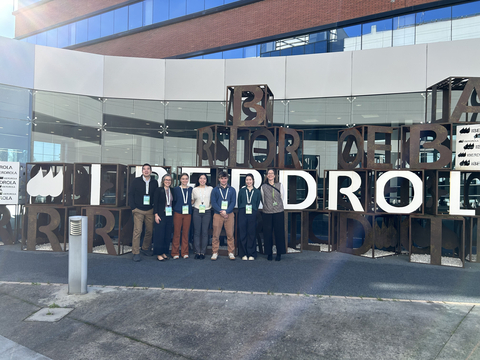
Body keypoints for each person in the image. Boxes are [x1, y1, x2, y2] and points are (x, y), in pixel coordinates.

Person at [128, 163, 158, 262]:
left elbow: (155, 196)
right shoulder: (136, 181)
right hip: (138, 210)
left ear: (151, 171)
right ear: (142, 171)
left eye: (148, 169)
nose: (146, 171)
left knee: (149, 231)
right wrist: (133, 208)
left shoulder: (154, 182)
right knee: (138, 231)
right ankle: (136, 252)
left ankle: (145, 248)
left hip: (150, 210)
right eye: (144, 169)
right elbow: (130, 194)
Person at [260, 168, 286, 261]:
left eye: (272, 173)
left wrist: (276, 206)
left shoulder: (279, 185)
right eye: (268, 173)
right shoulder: (263, 187)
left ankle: (279, 253)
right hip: (267, 212)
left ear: (275, 175)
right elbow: (263, 199)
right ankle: (269, 253)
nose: (270, 175)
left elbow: (282, 197)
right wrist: (268, 206)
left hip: (278, 212)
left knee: (279, 233)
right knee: (267, 233)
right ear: (266, 175)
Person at [210, 171, 237, 260]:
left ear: (227, 179)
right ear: (219, 179)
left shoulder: (232, 190)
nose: (224, 180)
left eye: (225, 178)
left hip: (229, 215)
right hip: (218, 214)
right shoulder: (215, 190)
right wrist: (221, 211)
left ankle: (231, 252)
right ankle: (214, 252)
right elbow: (213, 202)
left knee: (230, 235)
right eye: (222, 178)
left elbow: (233, 202)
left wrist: (227, 211)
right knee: (216, 235)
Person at [237, 173, 261, 261]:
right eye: (247, 180)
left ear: (253, 181)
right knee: (242, 232)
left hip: (253, 212)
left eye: (250, 180)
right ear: (245, 181)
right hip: (243, 211)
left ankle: (251, 253)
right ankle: (243, 253)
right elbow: (239, 201)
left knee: (251, 232)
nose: (248, 181)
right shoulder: (242, 191)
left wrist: (253, 210)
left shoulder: (257, 191)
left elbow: (257, 202)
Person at [153, 174, 174, 261]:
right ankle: (159, 253)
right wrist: (156, 215)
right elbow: (155, 203)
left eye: (169, 180)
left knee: (167, 234)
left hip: (169, 215)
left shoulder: (172, 190)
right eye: (166, 180)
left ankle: (164, 252)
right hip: (161, 215)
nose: (167, 181)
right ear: (163, 181)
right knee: (159, 235)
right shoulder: (158, 190)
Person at [191, 174, 213, 259]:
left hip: (207, 211)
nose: (202, 180)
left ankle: (203, 252)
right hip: (197, 210)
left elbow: (213, 199)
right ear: (198, 179)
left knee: (204, 232)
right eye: (201, 178)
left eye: (204, 178)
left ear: (206, 180)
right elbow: (192, 201)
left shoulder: (210, 189)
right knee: (197, 232)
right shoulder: (194, 190)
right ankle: (197, 251)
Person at [172, 173, 193, 259]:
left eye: (186, 179)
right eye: (183, 179)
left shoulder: (191, 189)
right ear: (180, 180)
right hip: (178, 213)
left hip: (188, 213)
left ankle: (184, 252)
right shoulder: (176, 189)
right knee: (176, 233)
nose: (185, 180)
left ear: (188, 180)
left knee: (185, 233)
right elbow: (173, 201)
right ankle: (175, 252)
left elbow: (193, 199)